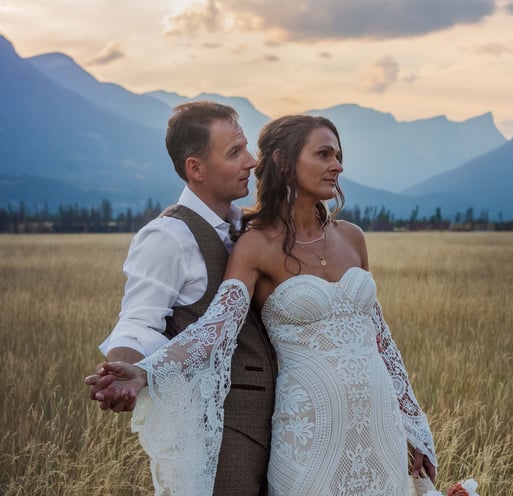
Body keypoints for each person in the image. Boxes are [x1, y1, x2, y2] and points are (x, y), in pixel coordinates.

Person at [89, 114, 437, 495]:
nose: (337, 165)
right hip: (307, 433)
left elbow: (381, 341)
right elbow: (212, 329)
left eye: (338, 155)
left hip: (378, 425)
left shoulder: (352, 237)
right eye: (323, 154)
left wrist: (413, 426)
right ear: (285, 163)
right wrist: (144, 371)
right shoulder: (252, 245)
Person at [86, 101, 277, 495]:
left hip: (280, 429)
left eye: (246, 148)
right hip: (217, 435)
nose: (252, 161)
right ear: (196, 169)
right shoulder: (167, 237)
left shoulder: (249, 226)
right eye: (235, 153)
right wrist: (124, 372)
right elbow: (139, 321)